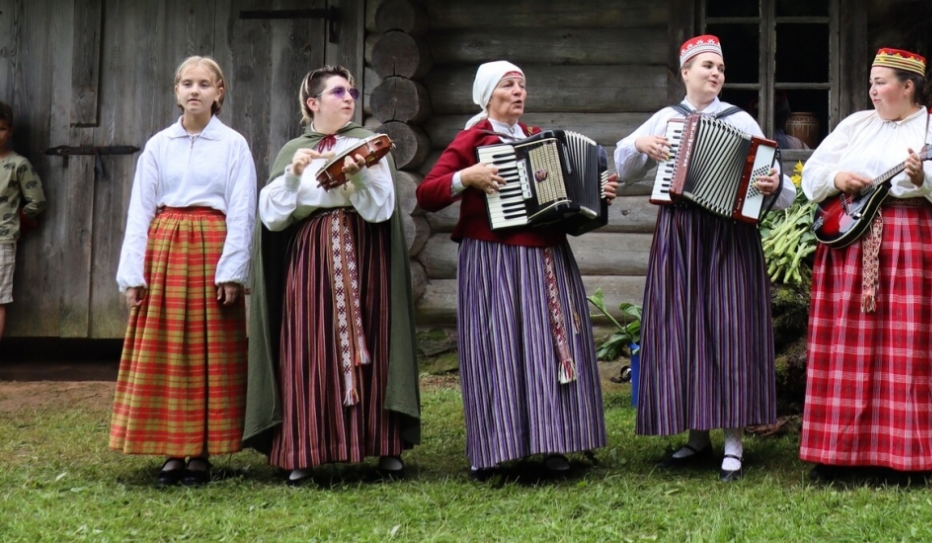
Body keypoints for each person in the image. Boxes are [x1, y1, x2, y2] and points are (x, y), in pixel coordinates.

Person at [799, 47, 932, 478]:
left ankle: (916, 454)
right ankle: (841, 455)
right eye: (871, 82)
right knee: (851, 352)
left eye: (881, 82)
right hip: (853, 248)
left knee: (915, 352)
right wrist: (838, 179)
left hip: (921, 247)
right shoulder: (856, 126)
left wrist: (925, 178)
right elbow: (814, 174)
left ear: (908, 87)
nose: (872, 90)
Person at [417, 61, 617, 482]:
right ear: (487, 95)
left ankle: (554, 444)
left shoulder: (539, 140)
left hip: (547, 257)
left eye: (522, 85)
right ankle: (491, 450)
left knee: (551, 348)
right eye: (508, 85)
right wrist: (465, 177)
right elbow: (427, 194)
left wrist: (598, 194)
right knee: (497, 349)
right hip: (493, 259)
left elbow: (568, 209)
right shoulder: (473, 140)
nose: (518, 92)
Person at [614, 35, 791, 483]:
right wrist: (643, 146)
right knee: (684, 327)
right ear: (686, 72)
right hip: (680, 233)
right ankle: (697, 437)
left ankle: (733, 443)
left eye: (721, 68)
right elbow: (623, 165)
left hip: (730, 237)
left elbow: (780, 187)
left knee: (729, 329)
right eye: (707, 66)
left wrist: (773, 185)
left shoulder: (741, 120)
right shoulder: (665, 119)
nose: (715, 73)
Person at [244, 65, 420, 485]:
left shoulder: (368, 145)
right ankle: (304, 448)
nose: (349, 98)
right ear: (313, 103)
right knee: (307, 344)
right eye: (338, 91)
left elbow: (381, 209)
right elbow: (271, 218)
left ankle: (381, 445)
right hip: (310, 258)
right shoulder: (294, 151)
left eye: (352, 92)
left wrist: (357, 175)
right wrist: (292, 175)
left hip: (365, 256)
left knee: (372, 339)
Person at [107, 57, 255, 486]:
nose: (195, 91)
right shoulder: (159, 145)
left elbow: (243, 210)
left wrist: (231, 271)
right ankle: (173, 450)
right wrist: (133, 274)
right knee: (169, 351)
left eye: (204, 84)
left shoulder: (233, 145)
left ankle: (202, 452)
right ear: (176, 91)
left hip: (211, 246)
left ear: (219, 91)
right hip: (166, 249)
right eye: (187, 84)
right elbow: (140, 210)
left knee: (208, 352)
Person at [0, 101, 45, 344]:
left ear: (10, 131)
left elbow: (37, 201)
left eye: (1, 128)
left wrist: (15, 222)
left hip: (2, 240)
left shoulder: (18, 164)